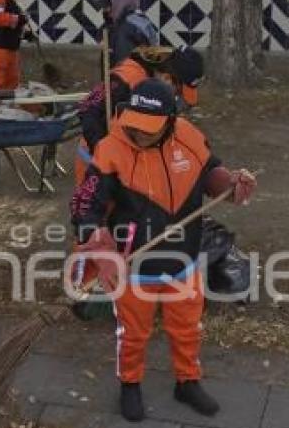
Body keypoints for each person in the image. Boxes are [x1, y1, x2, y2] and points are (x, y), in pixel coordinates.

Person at [69, 79, 256, 422]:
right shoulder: (112, 148)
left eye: (149, 129)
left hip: (183, 260)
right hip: (135, 266)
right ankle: (130, 384)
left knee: (187, 328)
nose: (139, 134)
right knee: (133, 333)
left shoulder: (188, 136)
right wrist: (98, 242)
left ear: (170, 121)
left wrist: (231, 186)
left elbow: (212, 173)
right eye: (134, 125)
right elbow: (84, 203)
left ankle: (187, 381)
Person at [69, 45, 205, 292]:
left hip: (131, 160)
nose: (178, 96)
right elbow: (88, 107)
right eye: (178, 88)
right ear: (167, 76)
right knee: (93, 216)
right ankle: (82, 283)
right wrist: (107, 149)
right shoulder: (128, 76)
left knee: (124, 217)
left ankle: (117, 277)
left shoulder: (156, 91)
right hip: (96, 158)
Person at [100, 0, 158, 68]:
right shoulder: (115, 24)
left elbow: (122, 62)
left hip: (129, 77)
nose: (105, 10)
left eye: (108, 6)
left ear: (120, 3)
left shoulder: (130, 26)